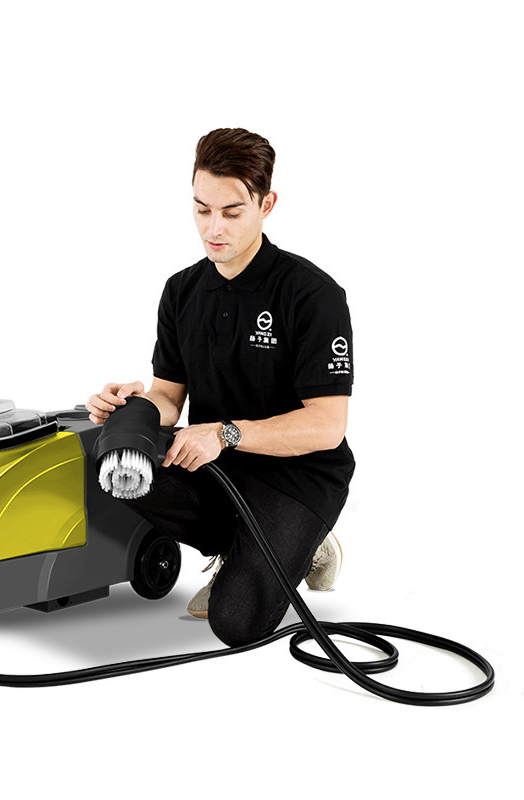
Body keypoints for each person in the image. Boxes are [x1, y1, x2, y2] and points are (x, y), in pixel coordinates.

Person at [86, 128, 355, 647]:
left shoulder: (313, 295)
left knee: (235, 624)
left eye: (232, 213)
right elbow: (168, 398)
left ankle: (303, 543)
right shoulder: (182, 290)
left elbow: (327, 425)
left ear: (266, 204)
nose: (214, 228)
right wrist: (131, 405)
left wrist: (225, 433)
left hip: (298, 476)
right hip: (218, 465)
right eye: (201, 209)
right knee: (115, 463)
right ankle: (251, 547)